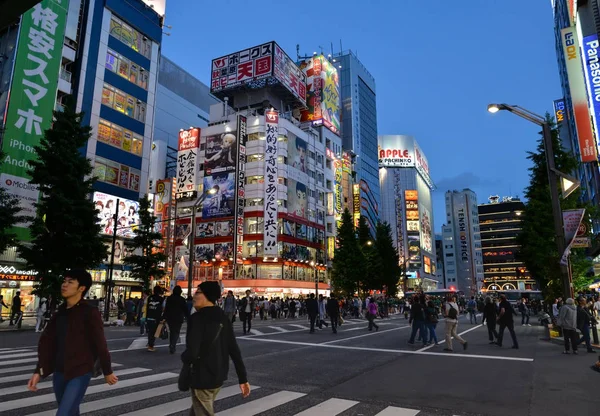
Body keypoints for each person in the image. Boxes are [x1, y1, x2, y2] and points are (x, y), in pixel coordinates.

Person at [27, 269, 118, 414]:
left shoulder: (89, 312)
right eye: (64, 281)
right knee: (71, 411)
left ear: (81, 288)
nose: (64, 285)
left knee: (63, 413)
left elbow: (100, 344)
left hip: (80, 371)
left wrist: (107, 371)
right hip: (59, 371)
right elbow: (48, 344)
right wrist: (39, 371)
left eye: (70, 282)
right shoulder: (60, 312)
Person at [182, 281, 250, 415]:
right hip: (219, 376)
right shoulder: (223, 318)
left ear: (207, 295)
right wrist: (243, 378)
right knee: (197, 411)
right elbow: (234, 350)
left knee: (202, 410)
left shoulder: (197, 318)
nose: (194, 296)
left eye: (198, 292)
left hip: (202, 376)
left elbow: (192, 352)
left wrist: (184, 357)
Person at [162, 285, 190, 354]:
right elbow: (185, 309)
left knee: (172, 331)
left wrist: (164, 317)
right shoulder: (182, 299)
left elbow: (166, 308)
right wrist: (188, 317)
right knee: (176, 331)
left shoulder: (169, 298)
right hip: (178, 317)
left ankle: (172, 344)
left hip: (170, 317)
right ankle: (173, 345)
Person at [146, 286, 164, 352]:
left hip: (149, 316)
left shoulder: (149, 298)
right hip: (156, 318)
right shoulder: (161, 299)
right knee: (153, 332)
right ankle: (150, 345)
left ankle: (150, 344)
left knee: (150, 331)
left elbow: (146, 307)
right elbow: (163, 309)